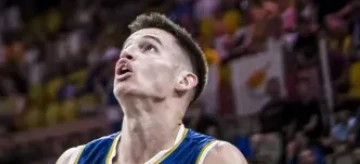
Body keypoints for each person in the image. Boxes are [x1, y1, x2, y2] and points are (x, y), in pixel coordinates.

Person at [55, 13, 246, 164]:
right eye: (126, 48)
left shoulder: (216, 158)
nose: (126, 54)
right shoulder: (73, 160)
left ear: (183, 80)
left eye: (149, 48)